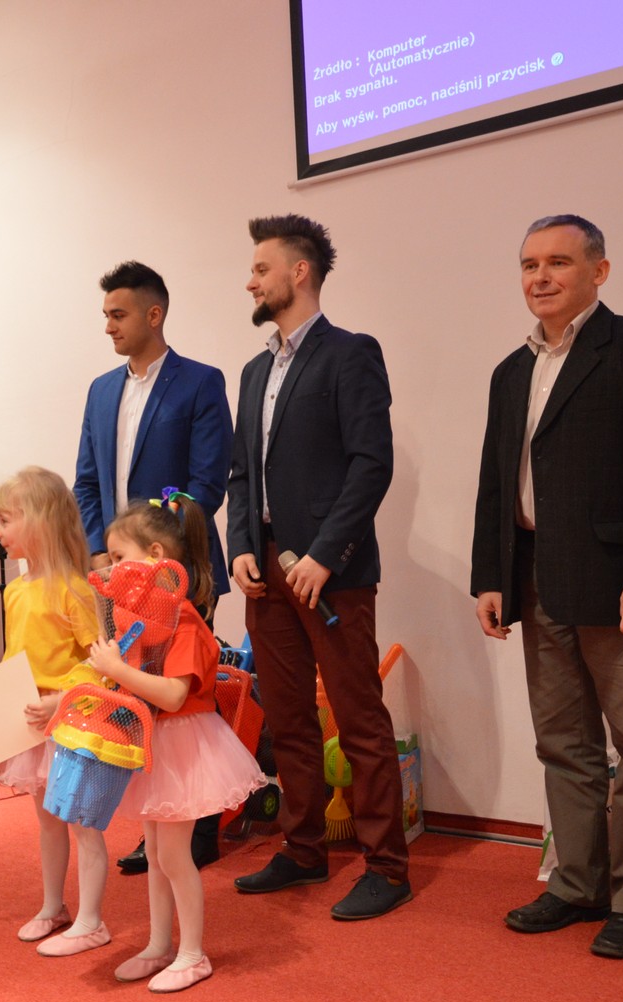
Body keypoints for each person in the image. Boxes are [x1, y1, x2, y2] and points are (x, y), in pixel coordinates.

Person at [471, 214, 623, 959]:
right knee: (563, 744)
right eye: (529, 264)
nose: (540, 277)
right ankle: (577, 884)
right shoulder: (511, 371)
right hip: (536, 577)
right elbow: (496, 481)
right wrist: (490, 576)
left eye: (559, 262)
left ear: (598, 272)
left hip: (617, 582)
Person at [227, 214, 411, 920]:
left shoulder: (350, 354)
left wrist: (325, 556)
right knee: (288, 720)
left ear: (298, 272)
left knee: (359, 720)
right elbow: (242, 474)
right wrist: (241, 545)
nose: (250, 281)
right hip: (266, 572)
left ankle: (387, 866)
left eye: (261, 268)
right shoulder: (254, 371)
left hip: (332, 576)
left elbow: (371, 465)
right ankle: (303, 850)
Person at [73, 259, 233, 875]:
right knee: (132, 690)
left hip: (174, 569)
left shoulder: (200, 382)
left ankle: (200, 823)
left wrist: (161, 556)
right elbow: (88, 482)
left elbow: (205, 484)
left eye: (118, 314)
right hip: (118, 572)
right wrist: (101, 553)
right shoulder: (100, 390)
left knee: (185, 698)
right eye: (105, 315)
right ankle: (154, 821)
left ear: (154, 314)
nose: (108, 326)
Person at [100, 494, 265, 992]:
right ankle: (159, 945)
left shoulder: (185, 620)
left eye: (118, 557)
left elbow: (173, 695)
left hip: (184, 744)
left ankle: (193, 953)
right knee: (155, 851)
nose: (111, 569)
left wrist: (118, 669)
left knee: (173, 854)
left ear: (154, 556)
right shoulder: (143, 619)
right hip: (157, 742)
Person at [0, 468, 107, 949]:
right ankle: (53, 906)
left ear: (39, 521)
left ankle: (92, 921)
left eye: (7, 520)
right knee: (46, 820)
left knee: (82, 824)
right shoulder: (16, 589)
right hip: (34, 724)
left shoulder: (73, 588)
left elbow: (102, 665)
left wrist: (61, 698)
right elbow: (16, 657)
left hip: (71, 722)